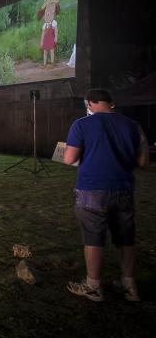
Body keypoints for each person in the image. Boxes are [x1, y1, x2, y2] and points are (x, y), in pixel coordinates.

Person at [64, 89, 149, 302]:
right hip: (123, 188)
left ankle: (93, 286)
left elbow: (69, 158)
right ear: (111, 103)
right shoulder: (132, 125)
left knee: (94, 237)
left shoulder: (81, 124)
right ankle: (130, 286)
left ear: (90, 103)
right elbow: (142, 161)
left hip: (92, 189)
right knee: (126, 239)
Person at [38, 0, 60, 66]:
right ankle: (44, 63)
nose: (49, 15)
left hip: (51, 39)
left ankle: (52, 63)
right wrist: (41, 42)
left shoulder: (54, 23)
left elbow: (56, 30)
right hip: (45, 40)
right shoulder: (44, 25)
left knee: (51, 50)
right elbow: (43, 34)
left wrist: (56, 38)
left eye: (52, 12)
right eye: (47, 14)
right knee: (45, 51)